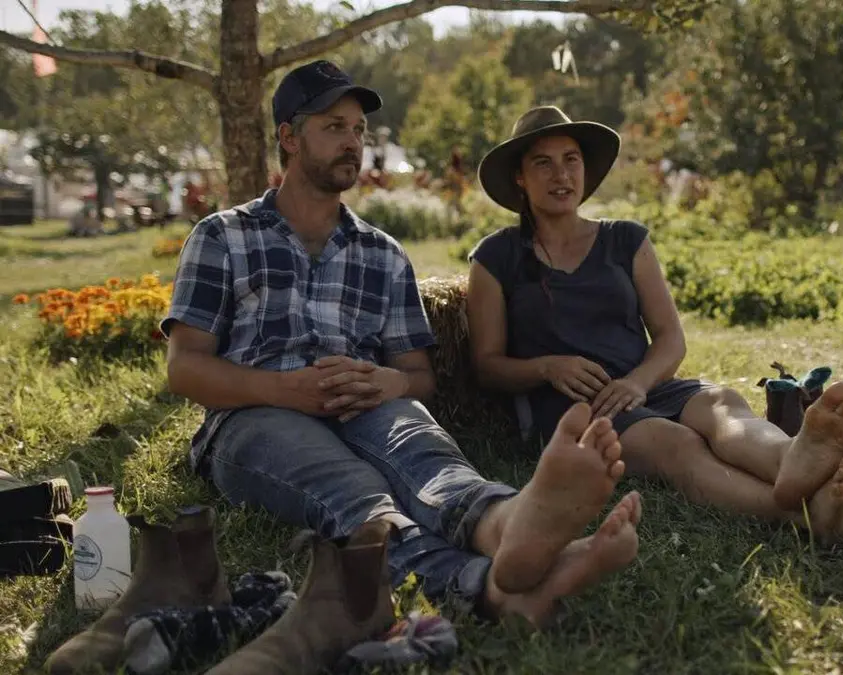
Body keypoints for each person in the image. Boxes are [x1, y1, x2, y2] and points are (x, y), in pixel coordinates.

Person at [162, 62, 642, 628]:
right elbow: (185, 368)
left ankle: (510, 523)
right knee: (356, 493)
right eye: (334, 126)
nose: (352, 142)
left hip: (370, 404)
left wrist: (391, 382)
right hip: (257, 417)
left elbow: (418, 375)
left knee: (430, 460)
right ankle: (481, 584)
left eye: (359, 130)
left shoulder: (382, 252)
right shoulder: (221, 236)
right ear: (289, 137)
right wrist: (285, 389)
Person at [465, 106, 843, 544]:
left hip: (647, 385)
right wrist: (546, 367)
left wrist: (639, 383)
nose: (560, 174)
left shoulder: (626, 239)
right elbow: (486, 365)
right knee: (674, 443)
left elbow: (669, 338)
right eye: (542, 163)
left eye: (571, 159)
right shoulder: (495, 257)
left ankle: (791, 457)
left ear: (586, 169)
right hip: (577, 409)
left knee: (723, 402)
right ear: (520, 178)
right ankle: (803, 516)